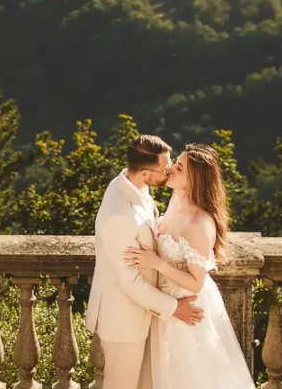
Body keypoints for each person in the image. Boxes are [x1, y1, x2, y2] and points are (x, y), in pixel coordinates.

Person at [126, 144, 258, 389]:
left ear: (194, 179)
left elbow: (196, 282)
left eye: (179, 167)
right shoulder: (174, 205)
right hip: (165, 308)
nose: (169, 168)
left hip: (187, 309)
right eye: (174, 162)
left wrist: (157, 263)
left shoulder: (200, 223)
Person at [88, 134, 205, 389]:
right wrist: (176, 307)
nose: (170, 170)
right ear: (145, 173)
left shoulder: (132, 185)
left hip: (147, 313)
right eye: (165, 168)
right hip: (124, 319)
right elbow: (129, 282)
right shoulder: (119, 215)